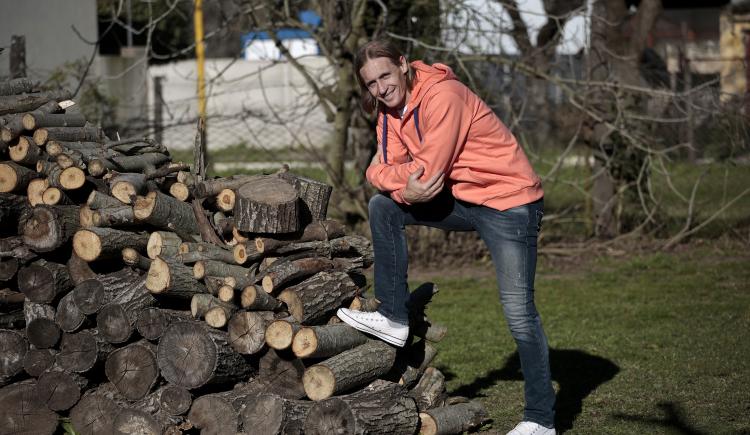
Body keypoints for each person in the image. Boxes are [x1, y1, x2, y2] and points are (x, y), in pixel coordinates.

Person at [335, 39, 555, 435]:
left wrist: (396, 179)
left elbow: (429, 173)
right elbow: (389, 171)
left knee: (519, 313)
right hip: (467, 200)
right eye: (371, 83)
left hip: (510, 203)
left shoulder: (444, 96)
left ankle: (541, 420)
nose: (381, 88)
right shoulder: (390, 113)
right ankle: (393, 316)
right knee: (382, 206)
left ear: (402, 65)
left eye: (385, 75)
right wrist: (390, 181)